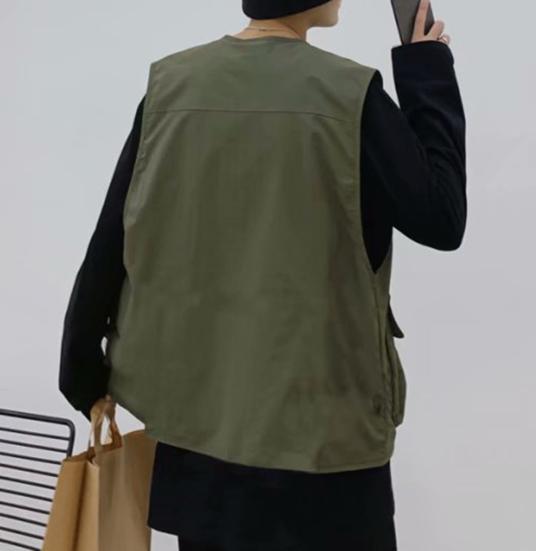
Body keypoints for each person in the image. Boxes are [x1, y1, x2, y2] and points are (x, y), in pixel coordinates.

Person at [58, 0, 466, 549]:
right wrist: (426, 71)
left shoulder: (172, 85)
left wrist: (82, 368)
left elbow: (113, 237)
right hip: (324, 445)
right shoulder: (350, 95)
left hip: (199, 437)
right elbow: (441, 219)